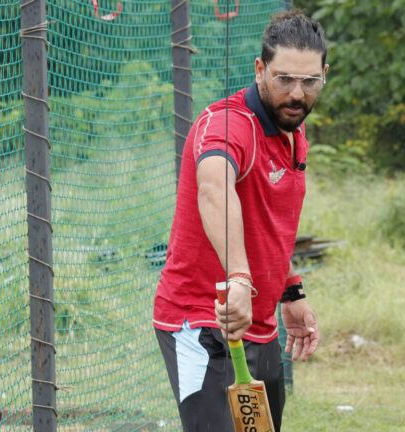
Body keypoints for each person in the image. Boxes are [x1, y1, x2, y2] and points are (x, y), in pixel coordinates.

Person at [152, 10, 328, 431]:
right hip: (204, 323)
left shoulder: (292, 131)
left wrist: (290, 290)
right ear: (260, 70)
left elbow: (265, 223)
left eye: (309, 81)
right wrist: (238, 278)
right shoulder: (228, 125)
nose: (297, 94)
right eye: (284, 79)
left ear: (324, 75)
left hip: (260, 326)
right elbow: (215, 190)